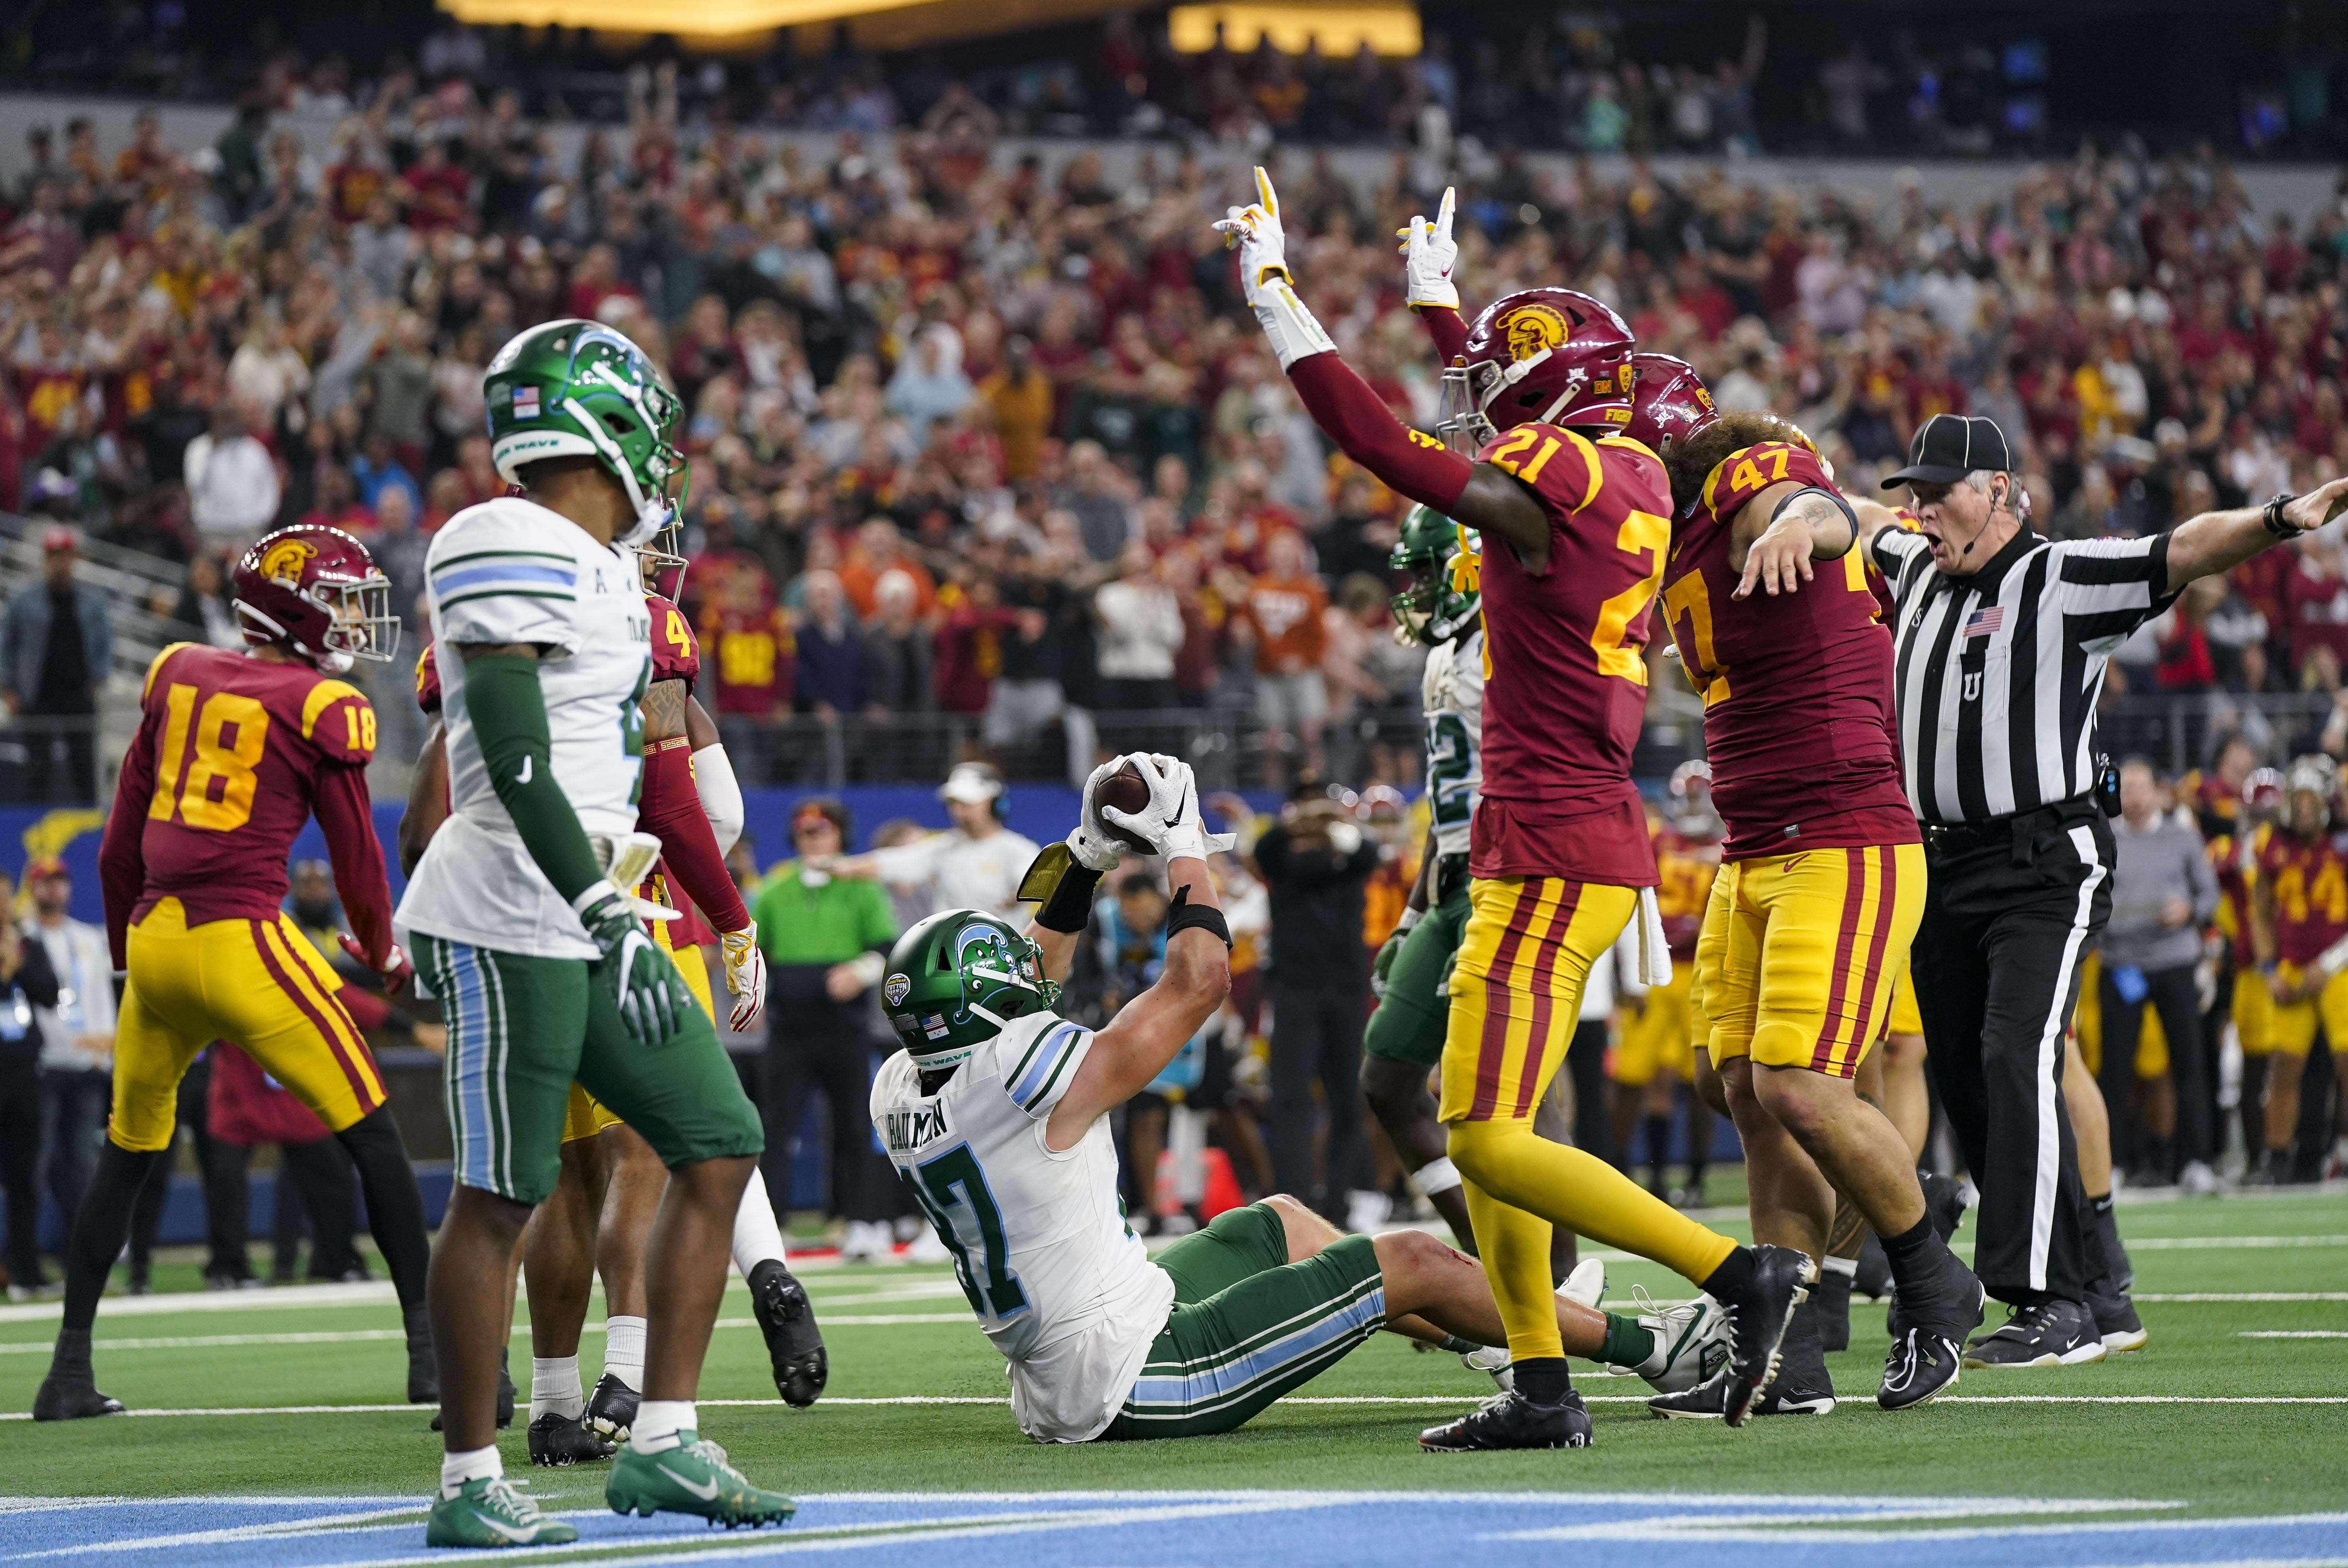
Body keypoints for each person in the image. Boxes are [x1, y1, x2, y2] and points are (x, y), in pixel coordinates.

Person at [1219, 174, 1809, 1447]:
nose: (1480, 398)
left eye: (1500, 382)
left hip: (1548, 842)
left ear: (1548, 397)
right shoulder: (1631, 477)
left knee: (1481, 1128)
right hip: (1558, 835)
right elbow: (1508, 430)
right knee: (1482, 1126)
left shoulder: (1556, 472)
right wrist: (1439, 303)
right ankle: (1540, 1382)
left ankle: (1730, 1271)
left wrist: (1278, 303)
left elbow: (1386, 449)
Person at [869, 754, 1710, 1447]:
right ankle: (1655, 1348)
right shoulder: (1020, 1074)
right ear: (988, 1008)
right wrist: (1185, 845)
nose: (1031, 977)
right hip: (1135, 1378)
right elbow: (1198, 984)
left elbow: (1031, 976)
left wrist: (1086, 859)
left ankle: (1495, 1338)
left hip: (1075, 1352)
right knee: (1413, 1257)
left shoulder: (906, 1081)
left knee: (1278, 1221)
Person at [393, 320, 787, 1545]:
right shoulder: (495, 534)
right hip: (515, 906)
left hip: (596, 902)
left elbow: (654, 771)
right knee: (503, 1189)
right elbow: (505, 758)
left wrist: (707, 906)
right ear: (600, 424)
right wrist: (608, 904)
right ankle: (467, 1475)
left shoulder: (620, 577)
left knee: (716, 1139)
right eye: (651, 429)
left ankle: (661, 1438)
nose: (662, 460)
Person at [1850, 411, 2348, 1366]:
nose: (1921, 507)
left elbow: (2185, 549)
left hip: (2044, 858)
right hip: (1943, 861)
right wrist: (1793, 504)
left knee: (2017, 1052)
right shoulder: (1914, 563)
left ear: (1998, 490)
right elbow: (1851, 512)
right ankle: (2100, 1291)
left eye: (1940, 489)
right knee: (1968, 1076)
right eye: (1914, 489)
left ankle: (2049, 1302)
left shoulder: (2063, 576)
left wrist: (2283, 515)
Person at [1629, 367, 1984, 1418]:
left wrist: (1803, 518)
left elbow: (1812, 499)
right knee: (1734, 1084)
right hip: (1751, 840)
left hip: (1840, 827)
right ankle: (1786, 1343)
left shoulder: (1743, 480)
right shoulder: (1665, 545)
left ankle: (1930, 1277)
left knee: (1795, 1080)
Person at [33, 524, 437, 1426]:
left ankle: (65, 1371)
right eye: (336, 599)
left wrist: (125, 960)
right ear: (295, 608)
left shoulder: (177, 671)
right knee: (372, 1132)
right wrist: (381, 952)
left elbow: (117, 841)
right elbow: (357, 864)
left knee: (128, 1152)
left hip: (157, 940)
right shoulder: (321, 705)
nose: (346, 618)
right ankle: (432, 1358)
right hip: (238, 937)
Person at [749, 797, 901, 1261]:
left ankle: (858, 1221)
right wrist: (754, 994)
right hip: (789, 1028)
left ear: (840, 836)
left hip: (845, 1026)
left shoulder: (861, 887)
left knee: (855, 1125)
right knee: (775, 1129)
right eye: (805, 833)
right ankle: (767, 1228)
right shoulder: (775, 889)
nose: (813, 840)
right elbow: (758, 948)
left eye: (822, 832)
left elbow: (885, 946)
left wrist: (860, 969)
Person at [1255, 783, 1379, 1227]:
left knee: (1347, 1098)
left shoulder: (1348, 859)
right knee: (1291, 1099)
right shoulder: (1284, 859)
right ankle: (1294, 1201)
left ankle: (1339, 1202)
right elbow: (1265, 849)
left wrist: (1335, 824)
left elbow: (1370, 854)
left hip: (1345, 993)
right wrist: (1298, 823)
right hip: (1295, 991)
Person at [2099, 757, 2220, 1191]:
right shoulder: (2103, 837)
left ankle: (2196, 1163)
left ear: (2156, 791)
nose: (2131, 795)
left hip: (2173, 960)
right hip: (2121, 964)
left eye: (2139, 786)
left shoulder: (2182, 837)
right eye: (2125, 787)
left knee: (2188, 1063)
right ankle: (2109, 1165)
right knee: (2114, 1069)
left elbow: (2209, 894)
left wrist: (2189, 911)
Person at [1610, 765, 1720, 1208]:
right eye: (1688, 798)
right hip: (1654, 970)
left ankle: (1694, 1180)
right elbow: (1629, 897)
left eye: (1701, 798)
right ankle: (1625, 1177)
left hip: (1701, 970)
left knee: (1700, 1080)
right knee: (1634, 1078)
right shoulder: (1657, 840)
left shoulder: (1730, 845)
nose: (1694, 807)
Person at [2248, 754, 2348, 1186]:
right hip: (2289, 966)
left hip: (2340, 963)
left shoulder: (2342, 843)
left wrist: (2328, 964)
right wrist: (2269, 967)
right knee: (2284, 1066)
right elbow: (2260, 911)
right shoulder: (2272, 843)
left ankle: (2338, 1149)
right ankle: (2277, 1160)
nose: (2304, 810)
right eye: (2298, 801)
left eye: (2312, 801)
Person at [819, 762, 1041, 923]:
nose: (959, 812)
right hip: (953, 959)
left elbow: (1036, 886)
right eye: (953, 804)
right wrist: (835, 866)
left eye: (968, 803)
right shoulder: (944, 848)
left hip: (1004, 959)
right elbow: (893, 862)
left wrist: (1021, 895)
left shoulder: (1019, 850)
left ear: (995, 804)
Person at [23, 858, 114, 1254]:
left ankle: (75, 1255)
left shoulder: (88, 938)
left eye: (60, 882)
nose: (53, 890)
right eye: (46, 883)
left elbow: (98, 996)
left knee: (81, 1165)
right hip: (44, 1066)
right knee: (35, 1163)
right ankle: (28, 1255)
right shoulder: (23, 938)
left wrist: (106, 1043)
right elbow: (40, 1002)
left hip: (87, 1065)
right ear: (33, 888)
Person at [2, 527, 112, 803]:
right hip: (36, 696)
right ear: (45, 559)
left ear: (74, 558)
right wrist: (9, 689)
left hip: (77, 696)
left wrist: (97, 678)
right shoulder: (24, 601)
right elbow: (7, 645)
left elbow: (104, 644)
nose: (59, 563)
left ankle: (88, 836)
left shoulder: (92, 602)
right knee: (36, 771)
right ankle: (29, 835)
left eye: (65, 556)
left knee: (84, 768)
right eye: (54, 556)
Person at [0, 865, 62, 1299]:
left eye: (6, 896)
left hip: (23, 1076)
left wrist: (18, 966)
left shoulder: (27, 942)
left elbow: (49, 992)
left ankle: (27, 1269)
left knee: (25, 1179)